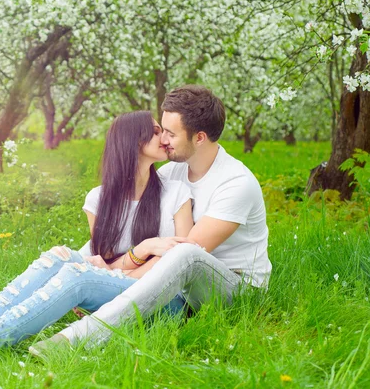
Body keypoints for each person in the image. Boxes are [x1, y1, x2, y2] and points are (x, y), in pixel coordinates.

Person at [0, 110, 193, 363]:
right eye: (156, 131)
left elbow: (179, 262)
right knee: (55, 257)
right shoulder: (99, 199)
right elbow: (104, 259)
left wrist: (105, 274)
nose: (165, 138)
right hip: (120, 285)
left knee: (78, 276)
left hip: (164, 298)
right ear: (134, 140)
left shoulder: (176, 192)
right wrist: (140, 251)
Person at [31, 85, 272, 352]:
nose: (163, 140)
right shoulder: (172, 174)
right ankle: (29, 308)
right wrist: (87, 266)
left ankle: (77, 339)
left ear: (200, 137)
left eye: (170, 133)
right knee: (87, 250)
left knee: (186, 252)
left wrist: (111, 276)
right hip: (179, 288)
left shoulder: (236, 183)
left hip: (234, 290)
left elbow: (180, 255)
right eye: (162, 131)